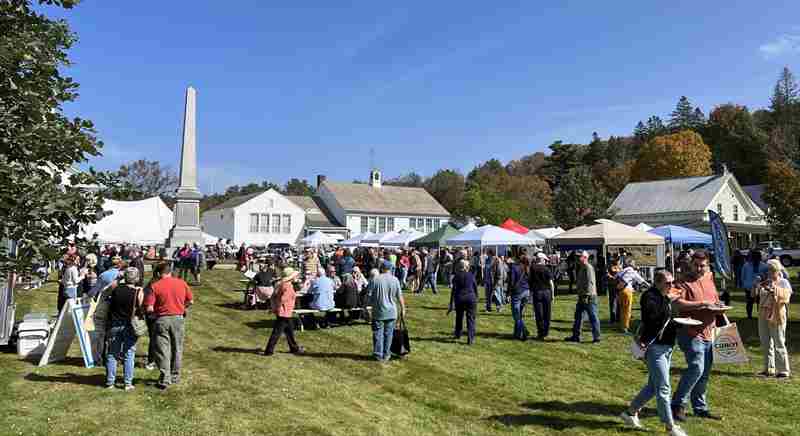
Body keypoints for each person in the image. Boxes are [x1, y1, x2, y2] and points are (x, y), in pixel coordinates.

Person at [620, 270, 687, 436]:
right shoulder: (650, 297)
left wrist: (678, 323)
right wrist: (668, 301)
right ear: (657, 283)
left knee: (652, 386)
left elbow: (668, 320)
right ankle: (670, 427)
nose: (672, 286)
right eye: (668, 283)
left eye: (672, 282)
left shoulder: (663, 296)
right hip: (654, 347)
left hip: (667, 346)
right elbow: (653, 320)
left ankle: (629, 413)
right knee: (664, 388)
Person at [670, 250, 722, 422]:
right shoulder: (681, 281)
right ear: (690, 264)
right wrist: (701, 304)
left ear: (707, 265)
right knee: (696, 367)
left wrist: (718, 305)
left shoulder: (709, 277)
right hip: (690, 331)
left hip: (709, 330)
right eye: (697, 265)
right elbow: (677, 303)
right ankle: (677, 404)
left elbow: (713, 299)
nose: (700, 269)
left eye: (703, 265)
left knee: (705, 372)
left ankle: (700, 407)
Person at [143, 262, 194, 390]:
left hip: (162, 319)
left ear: (160, 273)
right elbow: (191, 301)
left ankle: (165, 377)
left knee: (162, 349)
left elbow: (149, 307)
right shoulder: (182, 283)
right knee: (177, 347)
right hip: (178, 318)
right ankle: (175, 375)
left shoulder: (155, 286)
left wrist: (154, 314)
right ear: (170, 271)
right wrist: (182, 307)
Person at [105, 267, 144, 391]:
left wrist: (118, 277)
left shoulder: (116, 289)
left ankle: (110, 382)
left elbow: (105, 290)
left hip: (114, 325)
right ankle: (127, 383)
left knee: (112, 354)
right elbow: (141, 307)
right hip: (129, 325)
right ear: (137, 278)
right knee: (129, 354)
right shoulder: (138, 292)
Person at [753, 259, 793, 378]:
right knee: (765, 342)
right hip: (763, 314)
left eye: (772, 270)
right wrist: (756, 285)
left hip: (777, 314)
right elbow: (753, 295)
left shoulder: (784, 282)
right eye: (768, 270)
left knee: (779, 342)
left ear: (777, 270)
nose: (770, 272)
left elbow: (787, 297)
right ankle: (769, 368)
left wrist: (773, 290)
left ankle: (783, 370)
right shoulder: (765, 282)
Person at [367, 261, 406, 362]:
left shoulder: (375, 279)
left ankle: (378, 354)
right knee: (389, 334)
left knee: (378, 333)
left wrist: (367, 307)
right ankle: (386, 354)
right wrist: (403, 308)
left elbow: (369, 296)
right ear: (390, 269)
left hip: (378, 311)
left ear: (381, 268)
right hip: (392, 311)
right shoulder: (395, 280)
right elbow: (400, 296)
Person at [264, 267, 305, 356]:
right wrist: (275, 308)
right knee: (277, 332)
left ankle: (294, 348)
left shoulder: (283, 284)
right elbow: (283, 299)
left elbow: (276, 296)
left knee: (289, 330)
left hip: (285, 312)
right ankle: (269, 350)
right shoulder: (288, 286)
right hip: (284, 312)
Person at [564, 251, 601, 343]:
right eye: (576, 257)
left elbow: (590, 282)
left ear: (585, 257)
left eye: (579, 257)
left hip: (589, 297)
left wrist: (586, 295)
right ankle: (575, 336)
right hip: (582, 296)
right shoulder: (582, 267)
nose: (577, 259)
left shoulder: (588, 267)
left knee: (593, 317)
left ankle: (596, 337)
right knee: (578, 317)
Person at [616, 260, 650, 334]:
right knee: (627, 310)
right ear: (632, 265)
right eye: (634, 264)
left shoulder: (624, 270)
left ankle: (622, 326)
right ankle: (625, 327)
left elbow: (616, 276)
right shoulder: (632, 272)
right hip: (627, 292)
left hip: (620, 291)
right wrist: (650, 286)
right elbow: (642, 281)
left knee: (622, 309)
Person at [448, 259, 477, 344]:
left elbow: (453, 290)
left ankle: (458, 334)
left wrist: (451, 303)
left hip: (459, 298)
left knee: (459, 317)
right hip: (470, 298)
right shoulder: (471, 275)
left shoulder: (456, 276)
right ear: (467, 267)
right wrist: (476, 297)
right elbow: (475, 287)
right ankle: (470, 338)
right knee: (471, 318)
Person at [529, 253, 554, 340]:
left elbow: (530, 282)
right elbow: (551, 283)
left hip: (537, 292)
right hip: (547, 292)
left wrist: (530, 293)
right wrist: (553, 295)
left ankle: (540, 333)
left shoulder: (532, 268)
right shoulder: (547, 269)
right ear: (542, 260)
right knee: (547, 313)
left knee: (539, 313)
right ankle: (546, 332)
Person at [143, 267, 163, 371]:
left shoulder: (152, 284)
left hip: (156, 315)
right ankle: (151, 361)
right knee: (155, 339)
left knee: (156, 339)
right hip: (153, 315)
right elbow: (146, 302)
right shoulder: (153, 285)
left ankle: (155, 359)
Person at [508, 255, 530, 340]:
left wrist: (509, 294)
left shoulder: (515, 268)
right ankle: (516, 334)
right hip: (526, 292)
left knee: (516, 315)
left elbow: (512, 282)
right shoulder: (527, 268)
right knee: (519, 315)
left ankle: (524, 331)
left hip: (518, 292)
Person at [740, 250, 767, 319]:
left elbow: (766, 277)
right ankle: (749, 316)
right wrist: (745, 285)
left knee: (760, 302)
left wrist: (762, 280)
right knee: (749, 302)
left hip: (760, 287)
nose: (755, 259)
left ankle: (760, 316)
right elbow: (743, 276)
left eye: (757, 258)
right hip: (749, 287)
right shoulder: (746, 265)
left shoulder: (764, 266)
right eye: (754, 258)